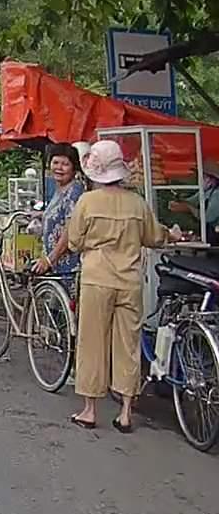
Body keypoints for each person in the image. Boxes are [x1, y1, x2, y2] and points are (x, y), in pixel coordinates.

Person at [66, 140, 188, 432]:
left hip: (97, 280)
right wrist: (171, 235)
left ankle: (89, 410)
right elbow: (154, 237)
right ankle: (125, 412)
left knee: (92, 343)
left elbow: (74, 241)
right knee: (128, 345)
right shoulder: (137, 203)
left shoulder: (87, 202)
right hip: (130, 281)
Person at [29, 144, 87, 285]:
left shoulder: (75, 191)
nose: (59, 168)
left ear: (74, 168)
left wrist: (49, 260)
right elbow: (60, 214)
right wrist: (41, 215)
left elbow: (70, 230)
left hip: (68, 267)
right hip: (56, 266)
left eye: (65, 164)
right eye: (55, 162)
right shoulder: (60, 188)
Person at [168, 161, 219, 240]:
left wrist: (189, 208)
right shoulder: (205, 192)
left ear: (211, 179)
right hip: (208, 233)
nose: (199, 179)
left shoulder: (216, 194)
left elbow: (208, 217)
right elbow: (191, 201)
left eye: (202, 177)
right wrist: (177, 199)